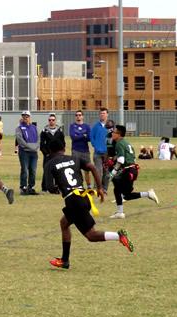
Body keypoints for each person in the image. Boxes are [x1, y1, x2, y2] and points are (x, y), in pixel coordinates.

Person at [43, 139, 134, 269]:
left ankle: (118, 236)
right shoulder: (74, 158)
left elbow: (49, 187)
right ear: (64, 148)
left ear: (50, 151)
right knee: (64, 223)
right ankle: (65, 260)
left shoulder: (50, 163)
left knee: (91, 235)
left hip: (74, 202)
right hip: (84, 197)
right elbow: (91, 167)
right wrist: (100, 188)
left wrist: (58, 188)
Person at [108, 125, 160, 219]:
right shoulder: (126, 143)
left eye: (114, 132)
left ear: (119, 134)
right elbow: (131, 157)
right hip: (133, 170)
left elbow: (121, 160)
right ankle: (148, 194)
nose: (112, 133)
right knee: (126, 195)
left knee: (117, 189)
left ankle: (120, 213)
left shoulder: (119, 143)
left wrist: (113, 172)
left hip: (128, 170)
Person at [16, 111, 40, 195]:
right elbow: (20, 140)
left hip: (34, 153)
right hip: (24, 152)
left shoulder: (34, 127)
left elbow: (38, 138)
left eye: (27, 116)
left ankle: (31, 187)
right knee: (25, 170)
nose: (25, 118)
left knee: (33, 170)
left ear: (30, 117)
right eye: (24, 116)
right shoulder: (19, 128)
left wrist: (36, 146)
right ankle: (23, 187)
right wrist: (29, 146)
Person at [40, 113, 65, 192]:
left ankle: (58, 186)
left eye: (53, 120)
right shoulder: (44, 131)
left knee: (58, 170)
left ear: (55, 121)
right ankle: (45, 188)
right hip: (48, 155)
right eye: (50, 120)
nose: (51, 121)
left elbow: (63, 142)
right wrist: (46, 153)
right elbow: (42, 144)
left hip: (57, 154)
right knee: (47, 171)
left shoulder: (60, 130)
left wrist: (61, 151)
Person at [69, 110, 92, 188]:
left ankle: (89, 186)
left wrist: (79, 135)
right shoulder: (72, 126)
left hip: (85, 151)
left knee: (87, 170)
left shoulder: (87, 126)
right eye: (76, 115)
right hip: (75, 150)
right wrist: (83, 135)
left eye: (79, 115)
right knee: (76, 169)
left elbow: (89, 138)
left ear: (83, 116)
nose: (78, 116)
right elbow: (73, 137)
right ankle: (78, 185)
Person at [90, 108, 110, 192]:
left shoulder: (110, 126)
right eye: (101, 113)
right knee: (98, 171)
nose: (102, 114)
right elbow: (91, 137)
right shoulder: (96, 126)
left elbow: (115, 137)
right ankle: (97, 188)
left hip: (107, 153)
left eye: (104, 113)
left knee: (107, 172)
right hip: (97, 153)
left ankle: (105, 189)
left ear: (107, 114)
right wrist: (95, 145)